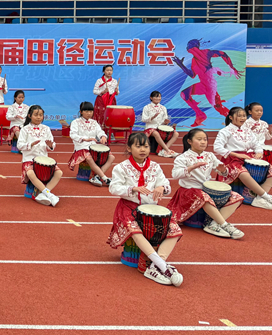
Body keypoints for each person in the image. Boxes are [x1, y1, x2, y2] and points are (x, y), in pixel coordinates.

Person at [107, 132, 184, 287]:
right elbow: (113, 187)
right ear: (129, 148)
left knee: (175, 229)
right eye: (138, 146)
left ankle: (154, 265)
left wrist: (162, 187)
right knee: (136, 231)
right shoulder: (121, 167)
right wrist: (133, 189)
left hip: (151, 208)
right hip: (128, 208)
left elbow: (166, 184)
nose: (143, 149)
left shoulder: (155, 167)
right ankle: (163, 266)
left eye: (146, 146)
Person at [168, 129, 244, 239]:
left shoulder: (210, 155)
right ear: (189, 141)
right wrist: (191, 168)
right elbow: (175, 175)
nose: (203, 142)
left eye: (205, 139)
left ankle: (213, 224)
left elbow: (222, 170)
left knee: (236, 197)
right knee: (203, 197)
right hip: (189, 191)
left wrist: (223, 170)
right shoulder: (182, 157)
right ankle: (224, 224)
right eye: (199, 139)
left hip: (206, 189)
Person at [214, 107, 272, 210]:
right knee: (243, 173)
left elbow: (256, 144)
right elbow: (217, 147)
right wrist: (236, 155)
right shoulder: (225, 131)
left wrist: (258, 152)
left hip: (247, 157)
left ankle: (258, 198)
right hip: (232, 160)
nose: (242, 118)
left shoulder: (247, 130)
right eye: (239, 116)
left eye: (244, 116)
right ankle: (266, 197)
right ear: (230, 117)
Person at [172, 38, 243, 127]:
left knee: (219, 108)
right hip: (202, 84)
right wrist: (181, 65)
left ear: (193, 46)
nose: (188, 48)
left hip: (210, 86)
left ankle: (237, 122)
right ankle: (200, 114)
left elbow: (222, 54)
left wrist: (231, 67)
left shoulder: (206, 52)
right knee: (184, 94)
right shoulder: (194, 60)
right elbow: (192, 75)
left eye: (189, 46)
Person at [17, 105, 63, 206]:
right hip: (29, 159)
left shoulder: (46, 129)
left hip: (43, 159)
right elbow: (19, 145)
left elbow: (52, 144)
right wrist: (31, 144)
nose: (39, 117)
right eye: (36, 115)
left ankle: (43, 193)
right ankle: (49, 195)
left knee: (59, 172)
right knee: (30, 173)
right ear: (29, 115)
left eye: (41, 115)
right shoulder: (24, 129)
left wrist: (50, 146)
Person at [242, 102, 272, 188]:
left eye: (261, 111)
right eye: (257, 110)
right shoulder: (245, 123)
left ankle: (271, 178)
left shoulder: (264, 123)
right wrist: (249, 130)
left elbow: (267, 138)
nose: (259, 112)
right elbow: (243, 138)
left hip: (263, 148)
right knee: (265, 162)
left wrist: (269, 131)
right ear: (250, 112)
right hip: (251, 150)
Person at [68, 101, 114, 186]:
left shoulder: (94, 122)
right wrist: (85, 139)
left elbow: (99, 131)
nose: (89, 113)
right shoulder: (75, 122)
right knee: (89, 158)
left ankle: (96, 177)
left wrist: (103, 136)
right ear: (81, 112)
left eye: (91, 111)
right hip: (81, 146)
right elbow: (72, 134)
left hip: (93, 146)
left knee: (111, 157)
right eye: (86, 111)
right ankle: (104, 178)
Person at [141, 91, 179, 157]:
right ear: (151, 98)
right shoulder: (146, 107)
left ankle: (163, 151)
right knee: (156, 133)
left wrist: (165, 122)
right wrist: (153, 117)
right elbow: (143, 119)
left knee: (176, 133)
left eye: (159, 97)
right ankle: (168, 150)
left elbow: (164, 121)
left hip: (160, 127)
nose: (158, 98)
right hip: (150, 127)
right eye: (156, 97)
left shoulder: (163, 108)